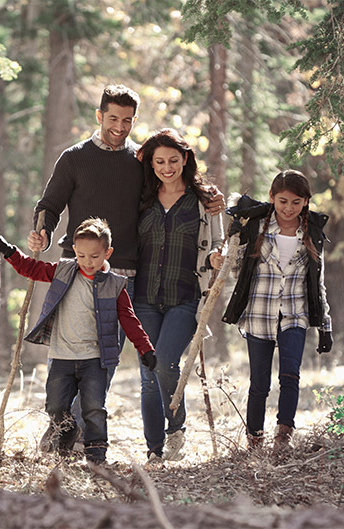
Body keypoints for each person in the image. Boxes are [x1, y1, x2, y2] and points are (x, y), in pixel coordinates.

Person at [27, 84, 225, 440]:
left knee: (106, 359)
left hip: (125, 276)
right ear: (99, 115)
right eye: (113, 118)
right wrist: (41, 231)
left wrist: (210, 196)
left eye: (128, 120)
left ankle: (73, 432)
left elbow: (175, 184)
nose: (119, 126)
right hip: (76, 271)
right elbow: (49, 205)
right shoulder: (74, 157)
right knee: (72, 353)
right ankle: (62, 426)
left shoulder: (139, 161)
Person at [0, 217, 156, 465]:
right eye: (82, 256)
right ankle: (66, 432)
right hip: (61, 357)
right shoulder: (63, 271)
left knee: (94, 409)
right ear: (74, 251)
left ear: (107, 253)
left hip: (95, 360)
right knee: (55, 406)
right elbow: (31, 269)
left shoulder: (114, 285)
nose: (88, 263)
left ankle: (96, 455)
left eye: (95, 257)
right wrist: (9, 251)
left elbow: (129, 319)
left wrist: (145, 348)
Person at [222, 169, 333, 456]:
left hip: (295, 314)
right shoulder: (257, 227)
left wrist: (325, 325)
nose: (288, 208)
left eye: (296, 202)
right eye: (283, 201)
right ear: (272, 198)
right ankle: (255, 439)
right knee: (259, 383)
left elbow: (317, 281)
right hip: (259, 313)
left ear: (306, 201)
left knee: (290, 376)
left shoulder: (312, 233)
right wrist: (235, 241)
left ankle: (284, 436)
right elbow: (236, 270)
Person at [133, 128, 224, 463]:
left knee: (166, 362)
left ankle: (176, 429)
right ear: (152, 164)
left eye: (173, 159)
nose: (167, 167)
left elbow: (219, 242)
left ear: (185, 159)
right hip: (143, 298)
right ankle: (154, 450)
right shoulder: (141, 197)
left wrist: (217, 256)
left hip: (185, 297)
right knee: (147, 374)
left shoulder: (204, 201)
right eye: (160, 161)